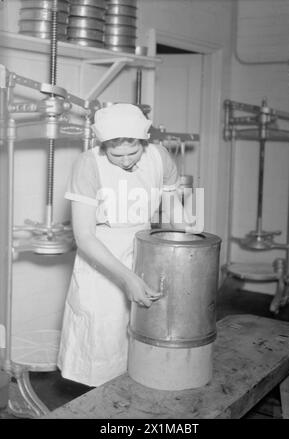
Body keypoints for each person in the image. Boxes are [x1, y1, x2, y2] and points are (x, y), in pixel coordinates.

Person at [57, 103, 199, 387]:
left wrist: (193, 246)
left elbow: (173, 209)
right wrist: (127, 279)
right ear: (104, 145)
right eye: (116, 154)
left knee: (144, 342)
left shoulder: (159, 157)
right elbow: (84, 236)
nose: (125, 161)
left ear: (144, 142)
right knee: (103, 346)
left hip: (144, 250)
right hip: (101, 257)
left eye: (132, 153)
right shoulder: (89, 163)